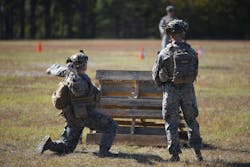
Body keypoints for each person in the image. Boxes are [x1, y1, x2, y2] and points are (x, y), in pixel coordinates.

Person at [37, 50, 117, 158]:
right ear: (83, 65)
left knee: (68, 147)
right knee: (111, 125)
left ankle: (49, 144)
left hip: (73, 117)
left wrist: (51, 69)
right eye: (85, 63)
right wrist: (75, 74)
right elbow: (77, 89)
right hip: (85, 115)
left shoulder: (68, 73)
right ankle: (103, 151)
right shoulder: (77, 79)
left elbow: (59, 69)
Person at [152, 20, 203, 162]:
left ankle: (175, 155)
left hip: (171, 90)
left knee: (171, 123)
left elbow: (155, 75)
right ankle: (198, 153)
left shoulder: (165, 52)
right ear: (183, 33)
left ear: (170, 34)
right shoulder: (192, 51)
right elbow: (195, 71)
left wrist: (163, 85)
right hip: (188, 90)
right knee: (191, 121)